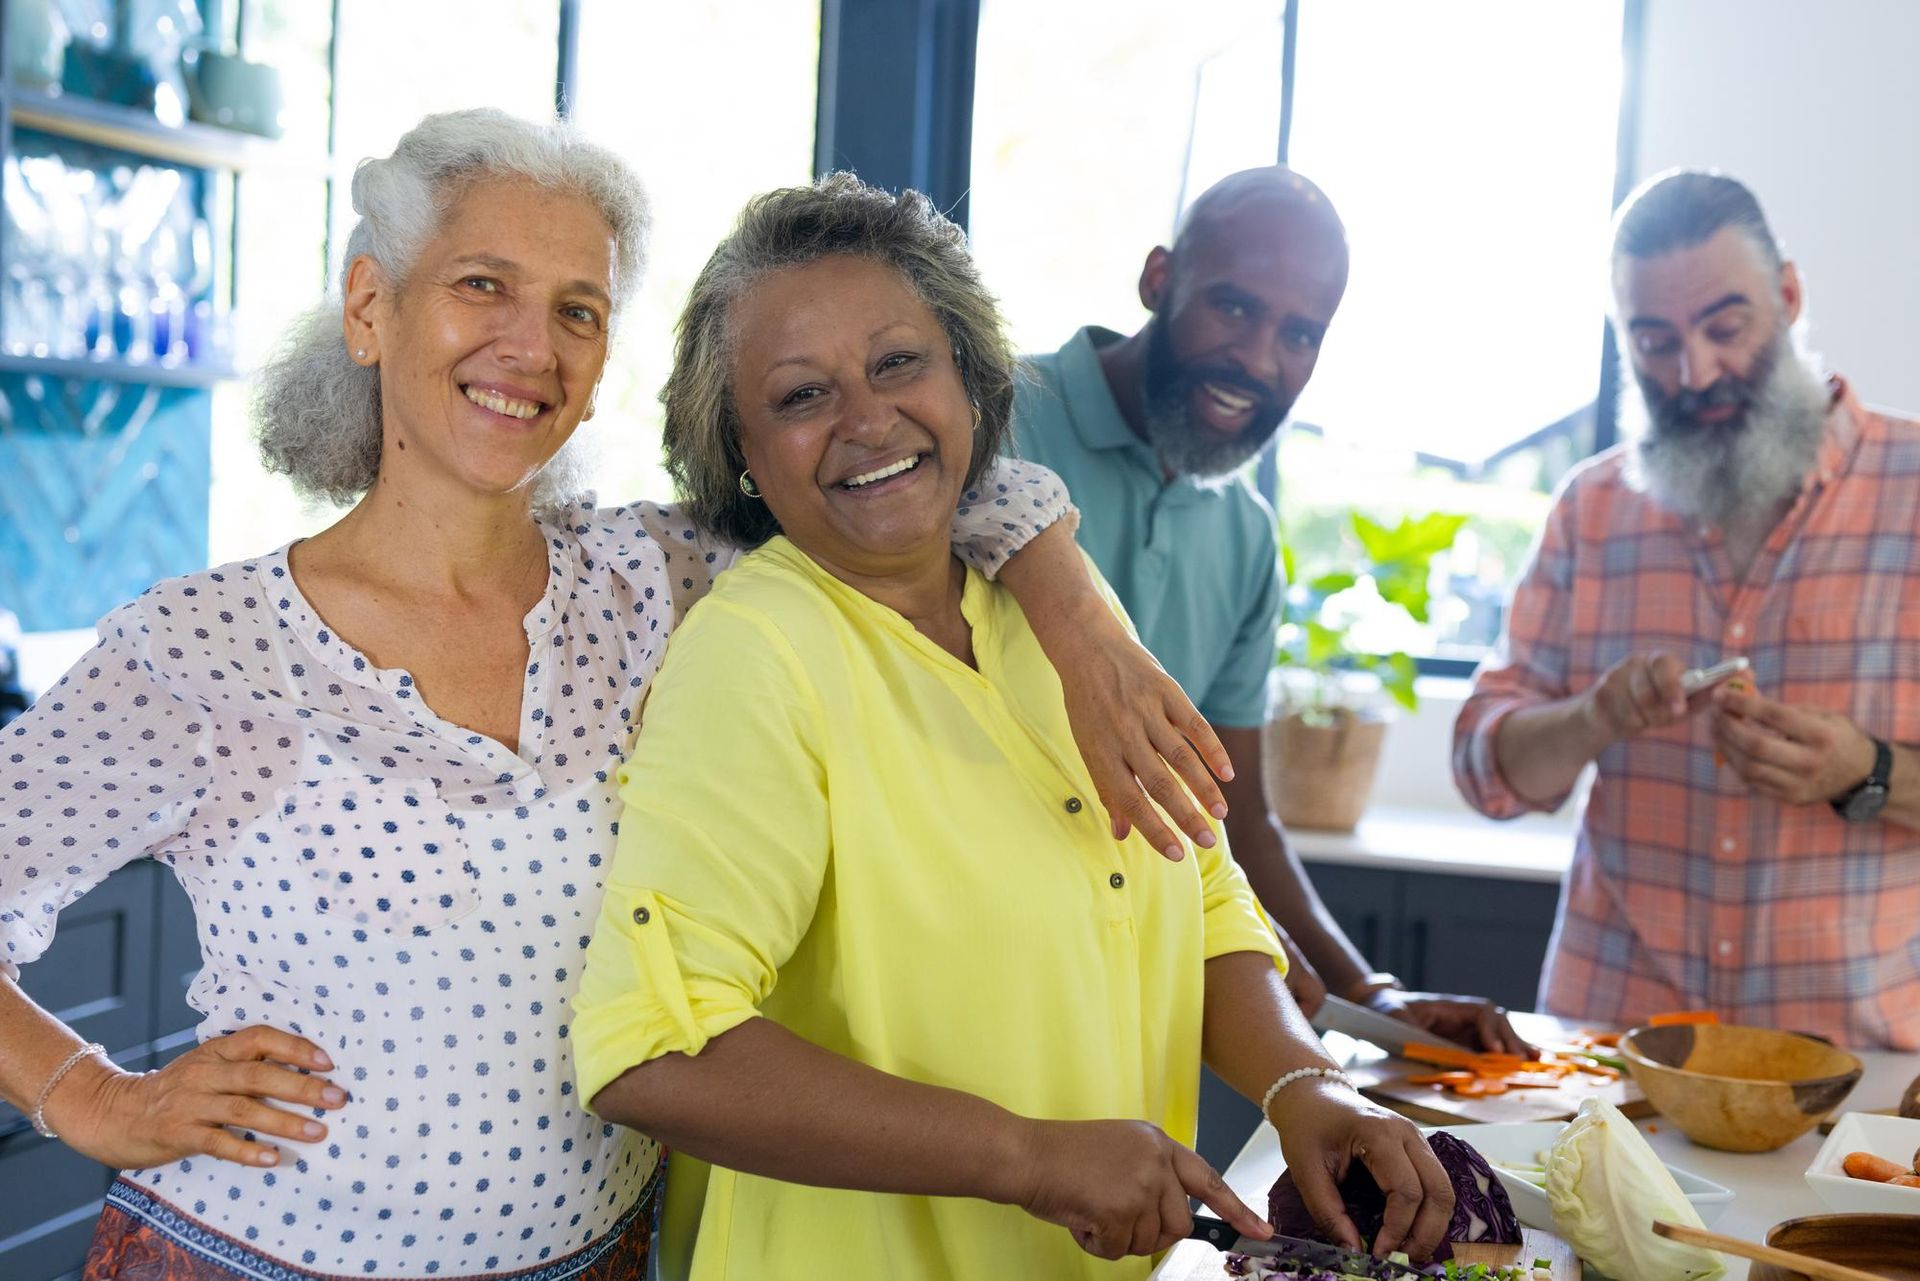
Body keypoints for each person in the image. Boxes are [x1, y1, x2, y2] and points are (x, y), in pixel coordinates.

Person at [0, 111, 1231, 1281]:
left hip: (605, 1259)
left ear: (597, 371)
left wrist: (1072, 610)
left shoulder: (656, 578)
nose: (530, 345)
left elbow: (906, 473)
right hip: (255, 1255)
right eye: (482, 285)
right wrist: (99, 1099)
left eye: (576, 310)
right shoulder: (204, 649)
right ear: (371, 307)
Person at [571, 173, 1454, 1281]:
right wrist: (1028, 1158)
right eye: (800, 396)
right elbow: (654, 1050)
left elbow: (1206, 888)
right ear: (741, 450)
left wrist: (1302, 1082)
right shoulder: (760, 653)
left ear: (971, 384)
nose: (866, 418)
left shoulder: (1056, 617)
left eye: (900, 363)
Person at [1011, 166, 1527, 1053]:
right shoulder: (997, 419)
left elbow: (1238, 816)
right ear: (1157, 280)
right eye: (1234, 307)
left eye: (1300, 333)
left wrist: (1373, 991)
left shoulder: (1246, 536)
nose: (1258, 359)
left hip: (1134, 1010)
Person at [1454, 169, 1920, 1050]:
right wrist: (1590, 719)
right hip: (1611, 1055)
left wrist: (1868, 771)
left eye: (1725, 328)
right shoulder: (1592, 509)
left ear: (1788, 295)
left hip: (1861, 1073)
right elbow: (1485, 766)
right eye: (1653, 340)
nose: (1692, 370)